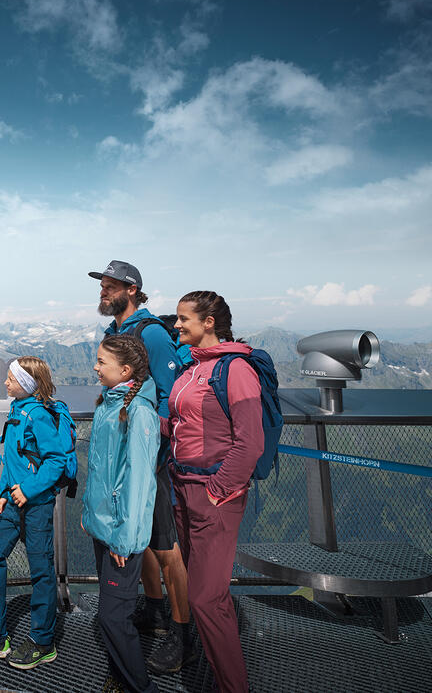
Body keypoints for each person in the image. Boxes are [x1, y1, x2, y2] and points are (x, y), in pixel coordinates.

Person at [88, 260, 193, 672]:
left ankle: (183, 636)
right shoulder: (117, 333)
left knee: (166, 548)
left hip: (154, 459)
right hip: (131, 458)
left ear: (132, 290)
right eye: (102, 287)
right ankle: (153, 610)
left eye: (110, 286)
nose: (103, 292)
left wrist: (147, 443)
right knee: (145, 540)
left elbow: (168, 396)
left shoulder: (151, 334)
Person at [166, 291, 263, 693]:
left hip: (212, 496)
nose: (176, 325)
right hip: (184, 489)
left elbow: (251, 442)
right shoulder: (193, 367)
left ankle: (232, 686)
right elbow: (182, 422)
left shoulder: (235, 370)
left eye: (184, 319)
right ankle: (220, 675)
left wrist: (217, 491)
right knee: (202, 595)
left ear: (209, 322)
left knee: (207, 599)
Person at [0, 356, 68, 671]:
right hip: (13, 503)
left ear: (26, 384)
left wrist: (29, 490)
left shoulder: (38, 416)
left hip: (35, 507)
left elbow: (56, 461)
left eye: (10, 378)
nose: (5, 383)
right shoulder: (16, 411)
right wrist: (2, 494)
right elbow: (12, 461)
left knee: (41, 573)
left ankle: (43, 642)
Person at [83, 334, 160, 693]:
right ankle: (118, 677)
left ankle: (139, 687)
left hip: (120, 535)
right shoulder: (109, 405)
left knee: (113, 618)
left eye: (101, 362)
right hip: (105, 528)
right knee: (112, 615)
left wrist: (124, 539)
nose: (95, 367)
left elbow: (139, 483)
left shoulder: (140, 413)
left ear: (125, 370)